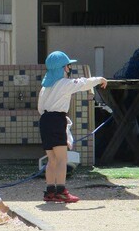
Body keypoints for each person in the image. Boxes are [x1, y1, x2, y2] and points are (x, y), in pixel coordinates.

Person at [38, 51, 107, 203]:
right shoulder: (64, 84)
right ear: (63, 68)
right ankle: (61, 191)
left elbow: (41, 107)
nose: (70, 68)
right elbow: (83, 83)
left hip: (45, 120)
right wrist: (99, 79)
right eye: (68, 65)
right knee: (63, 158)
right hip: (56, 120)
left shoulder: (44, 87)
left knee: (52, 159)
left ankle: (50, 192)